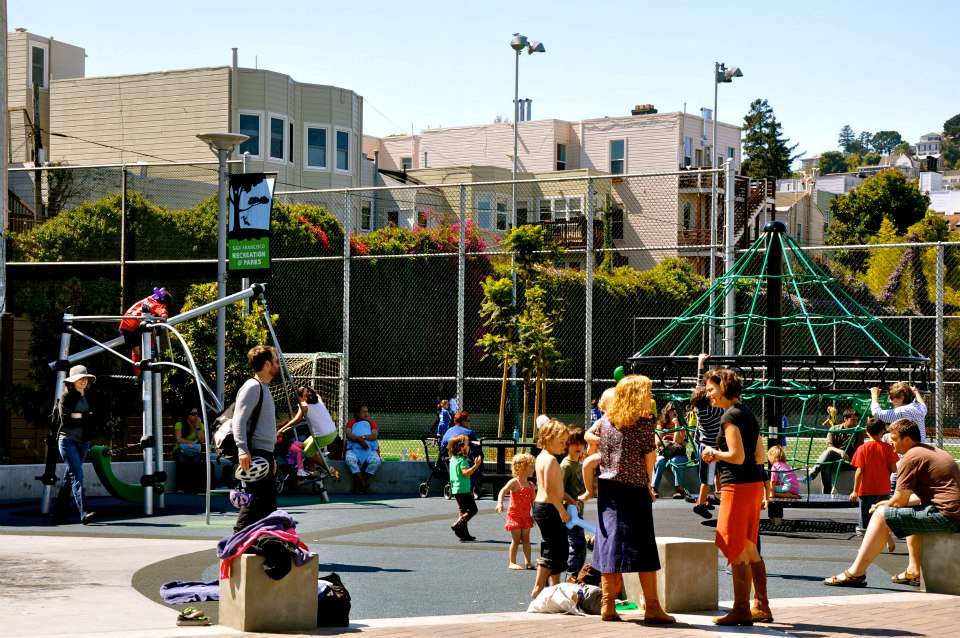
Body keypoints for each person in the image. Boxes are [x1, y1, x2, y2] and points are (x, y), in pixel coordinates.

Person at [824, 418, 960, 588]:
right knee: (907, 512)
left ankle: (855, 573)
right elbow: (917, 499)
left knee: (881, 516)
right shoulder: (932, 451)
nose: (891, 443)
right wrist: (887, 503)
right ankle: (914, 570)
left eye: (894, 439)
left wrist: (883, 506)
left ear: (907, 440)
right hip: (952, 514)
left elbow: (900, 500)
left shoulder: (910, 458)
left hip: (947, 518)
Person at [591, 374, 674, 624]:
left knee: (608, 541)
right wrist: (649, 484)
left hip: (608, 489)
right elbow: (649, 457)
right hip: (634, 488)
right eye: (647, 393)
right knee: (643, 545)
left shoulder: (606, 421)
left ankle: (607, 604)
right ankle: (652, 606)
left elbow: (591, 441)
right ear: (637, 396)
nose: (650, 397)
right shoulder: (644, 423)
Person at [700, 366, 769, 626]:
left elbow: (737, 457)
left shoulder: (729, 417)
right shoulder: (749, 413)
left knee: (735, 544)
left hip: (737, 487)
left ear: (724, 387)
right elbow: (760, 457)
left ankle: (741, 609)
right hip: (753, 486)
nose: (708, 394)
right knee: (750, 547)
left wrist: (713, 452)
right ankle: (761, 606)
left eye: (711, 389)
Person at [232, 345, 281, 533]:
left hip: (265, 455)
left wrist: (272, 456)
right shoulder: (252, 387)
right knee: (254, 501)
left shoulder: (263, 388)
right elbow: (239, 419)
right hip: (255, 455)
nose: (278, 364)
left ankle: (262, 544)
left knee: (267, 506)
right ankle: (235, 544)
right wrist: (242, 449)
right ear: (267, 364)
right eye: (276, 361)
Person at [52, 365, 100, 525]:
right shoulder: (66, 396)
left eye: (86, 378)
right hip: (67, 440)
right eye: (81, 379)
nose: (84, 381)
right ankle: (85, 511)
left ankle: (57, 513)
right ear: (73, 381)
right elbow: (67, 421)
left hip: (84, 442)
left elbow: (95, 417)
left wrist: (80, 416)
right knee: (77, 475)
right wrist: (86, 416)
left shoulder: (90, 396)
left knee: (69, 477)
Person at [531, 420, 571, 600]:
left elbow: (555, 487)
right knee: (553, 547)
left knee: (557, 545)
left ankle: (554, 586)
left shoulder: (542, 456)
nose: (564, 446)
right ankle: (540, 587)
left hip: (544, 506)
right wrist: (562, 509)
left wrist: (568, 498)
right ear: (548, 438)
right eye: (561, 441)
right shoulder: (551, 460)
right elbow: (548, 488)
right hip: (549, 507)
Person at [849, 417, 900, 546]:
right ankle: (886, 534)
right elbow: (894, 469)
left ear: (866, 430)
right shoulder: (887, 448)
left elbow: (859, 471)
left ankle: (866, 545)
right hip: (883, 488)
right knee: (882, 514)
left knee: (865, 519)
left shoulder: (863, 449)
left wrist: (855, 490)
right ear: (882, 432)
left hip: (866, 490)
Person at [800, 408, 864, 494]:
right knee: (827, 460)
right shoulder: (834, 429)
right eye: (853, 420)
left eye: (857, 420)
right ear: (845, 419)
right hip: (836, 460)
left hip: (850, 462)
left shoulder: (858, 432)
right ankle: (826, 493)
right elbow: (829, 446)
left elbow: (860, 449)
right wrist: (841, 452)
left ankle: (811, 477)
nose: (856, 423)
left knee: (827, 455)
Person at [691, 353, 724, 518]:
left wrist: (700, 365)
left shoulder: (698, 408)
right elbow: (725, 402)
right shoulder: (713, 410)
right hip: (710, 450)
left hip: (702, 446)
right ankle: (700, 504)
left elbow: (699, 386)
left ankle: (705, 499)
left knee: (707, 476)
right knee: (707, 479)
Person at [281, 386, 337, 476]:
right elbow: (316, 392)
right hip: (333, 432)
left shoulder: (304, 405)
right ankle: (313, 471)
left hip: (322, 436)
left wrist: (281, 429)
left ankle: (329, 469)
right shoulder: (317, 398)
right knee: (305, 445)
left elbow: (296, 420)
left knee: (307, 453)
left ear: (301, 397)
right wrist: (311, 391)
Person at [496, 452, 536, 569]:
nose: (533, 469)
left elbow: (533, 501)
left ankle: (528, 562)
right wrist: (500, 503)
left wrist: (534, 514)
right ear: (522, 468)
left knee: (526, 539)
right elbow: (503, 491)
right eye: (531, 467)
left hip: (525, 516)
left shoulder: (531, 485)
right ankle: (512, 562)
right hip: (514, 516)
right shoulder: (515, 482)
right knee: (516, 539)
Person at [118, 287, 171, 372]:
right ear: (164, 303)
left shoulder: (147, 300)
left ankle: (136, 374)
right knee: (151, 328)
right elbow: (163, 315)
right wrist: (164, 316)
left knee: (136, 352)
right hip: (135, 326)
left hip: (126, 323)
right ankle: (152, 353)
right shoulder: (157, 305)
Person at [560, 426, 588, 582]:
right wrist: (569, 502)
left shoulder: (580, 464)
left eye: (581, 443)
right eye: (574, 443)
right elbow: (558, 489)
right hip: (569, 512)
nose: (578, 447)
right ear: (567, 445)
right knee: (576, 545)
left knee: (580, 546)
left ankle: (575, 576)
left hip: (578, 512)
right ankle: (571, 577)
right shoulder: (566, 465)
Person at [652, 401, 691, 500]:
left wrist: (677, 425)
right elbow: (657, 442)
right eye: (672, 409)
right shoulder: (661, 423)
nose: (674, 411)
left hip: (679, 454)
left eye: (676, 409)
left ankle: (680, 489)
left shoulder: (682, 424)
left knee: (675, 461)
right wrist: (668, 440)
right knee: (659, 461)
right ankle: (654, 488)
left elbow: (678, 441)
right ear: (667, 412)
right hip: (665, 453)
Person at [448, 434, 484, 542]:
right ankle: (458, 523)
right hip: (463, 489)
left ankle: (464, 534)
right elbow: (465, 473)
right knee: (473, 509)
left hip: (455, 489)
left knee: (463, 510)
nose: (469, 447)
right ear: (461, 447)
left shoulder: (453, 459)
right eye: (467, 445)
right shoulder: (462, 460)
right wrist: (476, 465)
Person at [344, 405, 381, 493]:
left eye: (367, 412)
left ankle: (360, 482)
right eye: (363, 412)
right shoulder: (351, 422)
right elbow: (349, 435)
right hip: (354, 449)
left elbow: (374, 436)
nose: (366, 414)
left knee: (376, 461)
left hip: (369, 450)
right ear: (358, 413)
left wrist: (362, 437)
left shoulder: (372, 423)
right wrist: (360, 441)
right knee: (350, 460)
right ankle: (363, 483)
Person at [173, 405, 206, 493]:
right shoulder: (179, 424)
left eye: (197, 414)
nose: (196, 416)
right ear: (188, 415)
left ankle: (193, 487)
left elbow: (202, 440)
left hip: (194, 451)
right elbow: (178, 439)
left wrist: (198, 427)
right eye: (193, 414)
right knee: (182, 462)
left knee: (196, 462)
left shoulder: (200, 425)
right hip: (180, 450)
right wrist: (193, 442)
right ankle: (180, 487)